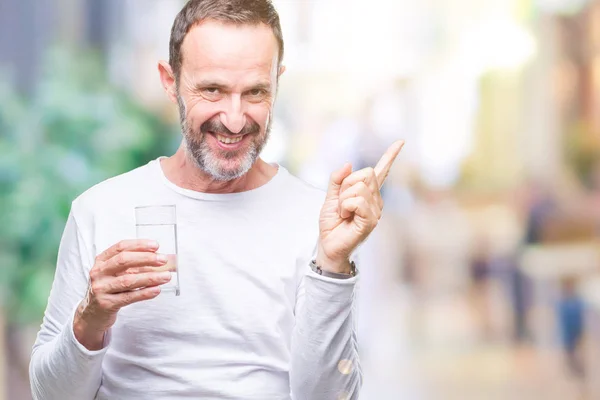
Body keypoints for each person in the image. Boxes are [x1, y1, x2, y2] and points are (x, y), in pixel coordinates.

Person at [28, 1, 403, 399]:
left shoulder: (319, 222)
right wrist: (90, 317)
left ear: (277, 82)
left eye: (255, 92)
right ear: (170, 81)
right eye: (212, 89)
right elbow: (51, 395)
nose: (235, 118)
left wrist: (331, 266)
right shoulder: (100, 211)